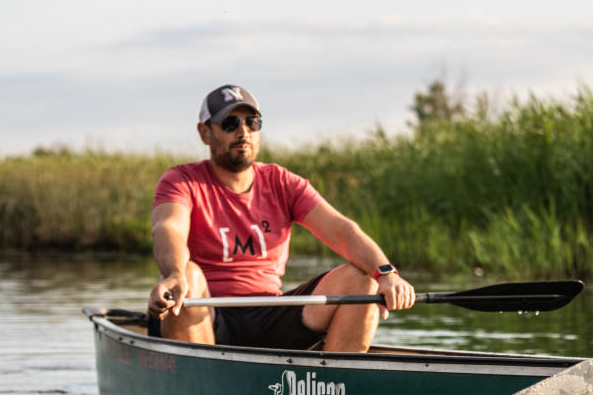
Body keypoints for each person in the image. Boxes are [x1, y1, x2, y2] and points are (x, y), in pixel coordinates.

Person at [147, 84, 415, 352]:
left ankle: (335, 384)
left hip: (269, 314)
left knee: (362, 279)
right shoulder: (181, 180)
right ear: (205, 132)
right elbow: (169, 227)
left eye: (252, 122)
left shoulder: (282, 182)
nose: (243, 132)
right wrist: (173, 274)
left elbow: (342, 231)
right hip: (206, 313)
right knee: (187, 277)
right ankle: (201, 381)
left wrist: (386, 273)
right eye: (230, 124)